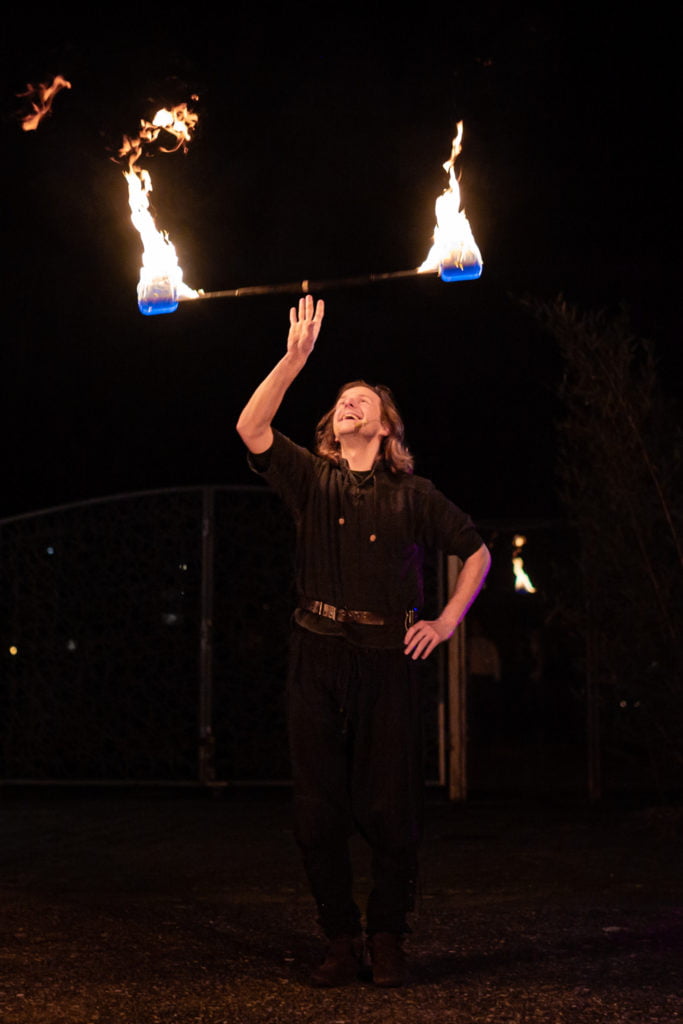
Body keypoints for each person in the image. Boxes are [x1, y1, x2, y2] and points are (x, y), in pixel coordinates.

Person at [236, 295, 491, 988]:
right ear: (333, 426)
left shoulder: (414, 494)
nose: (348, 403)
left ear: (383, 428)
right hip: (315, 655)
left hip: (386, 661)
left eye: (362, 400)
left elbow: (477, 555)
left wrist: (443, 622)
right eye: (341, 399)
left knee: (389, 808)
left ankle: (386, 937)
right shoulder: (310, 479)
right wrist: (294, 360)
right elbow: (251, 425)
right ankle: (340, 940)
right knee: (317, 811)